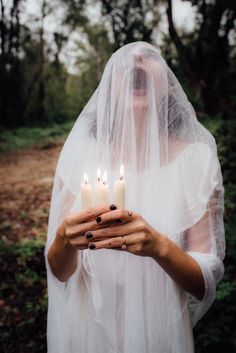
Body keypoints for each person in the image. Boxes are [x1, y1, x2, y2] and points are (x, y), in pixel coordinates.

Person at [45, 41, 225, 353]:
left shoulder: (195, 162)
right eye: (125, 60)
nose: (137, 57)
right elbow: (59, 271)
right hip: (87, 332)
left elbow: (203, 282)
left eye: (150, 56)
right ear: (108, 90)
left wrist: (159, 246)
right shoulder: (82, 156)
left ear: (170, 88)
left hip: (158, 334)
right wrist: (64, 238)